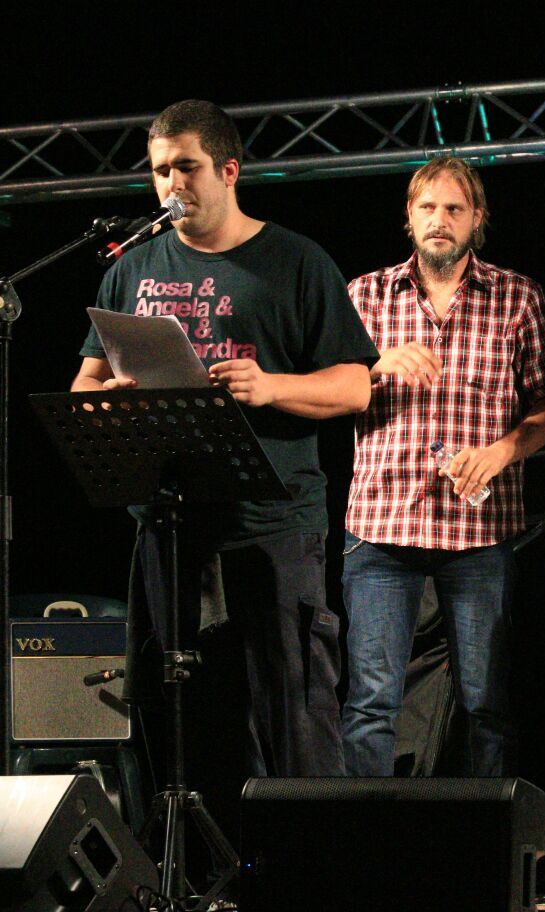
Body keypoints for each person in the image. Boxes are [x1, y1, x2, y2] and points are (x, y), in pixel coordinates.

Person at [71, 99, 378, 778]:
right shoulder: (133, 268)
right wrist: (111, 402)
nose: (170, 185)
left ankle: (304, 871)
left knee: (292, 710)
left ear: (230, 169)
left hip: (271, 525)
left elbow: (355, 386)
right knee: (181, 711)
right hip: (170, 521)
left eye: (186, 167)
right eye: (158, 171)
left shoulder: (295, 262)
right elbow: (82, 390)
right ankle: (202, 875)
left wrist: (271, 387)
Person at [340, 158, 545, 777]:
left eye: (453, 209)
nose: (439, 221)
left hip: (480, 533)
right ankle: (362, 850)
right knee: (370, 703)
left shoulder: (517, 297)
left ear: (477, 220)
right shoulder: (365, 294)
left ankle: (486, 854)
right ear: (408, 217)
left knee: (486, 704)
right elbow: (320, 386)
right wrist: (375, 366)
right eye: (427, 208)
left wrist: (503, 451)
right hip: (382, 526)